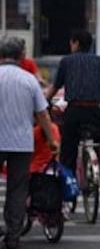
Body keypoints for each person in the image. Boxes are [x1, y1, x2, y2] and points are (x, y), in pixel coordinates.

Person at [0, 36, 59, 249]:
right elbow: (42, 115)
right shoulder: (29, 80)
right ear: (22, 56)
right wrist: (52, 140)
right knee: (17, 190)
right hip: (21, 143)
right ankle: (13, 236)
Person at [47, 30, 100, 176]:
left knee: (68, 147)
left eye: (71, 42)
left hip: (74, 110)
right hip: (94, 110)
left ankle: (69, 181)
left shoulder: (66, 61)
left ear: (76, 43)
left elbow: (56, 86)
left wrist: (46, 101)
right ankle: (98, 163)